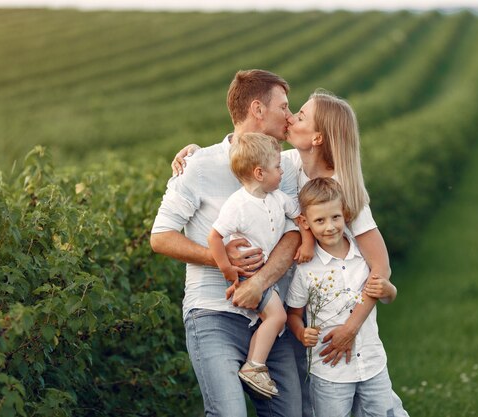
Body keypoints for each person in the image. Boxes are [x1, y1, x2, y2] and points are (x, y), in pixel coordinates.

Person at [170, 87, 400, 415]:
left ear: (318, 138)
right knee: (312, 406)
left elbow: (381, 269)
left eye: (300, 115)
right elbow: (244, 159)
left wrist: (350, 330)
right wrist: (195, 154)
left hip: (338, 320)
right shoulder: (287, 166)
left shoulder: (342, 190)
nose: (290, 117)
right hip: (296, 313)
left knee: (370, 407)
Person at [151, 69, 302, 416]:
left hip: (269, 318)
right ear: (257, 109)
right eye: (284, 106)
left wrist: (260, 282)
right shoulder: (198, 165)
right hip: (212, 314)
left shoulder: (286, 167)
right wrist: (218, 259)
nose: (289, 116)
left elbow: (293, 233)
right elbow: (160, 236)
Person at [286, 177, 409, 417]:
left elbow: (388, 295)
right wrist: (301, 332)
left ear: (345, 215)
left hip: (372, 363)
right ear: (305, 222)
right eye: (319, 220)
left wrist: (389, 290)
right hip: (331, 371)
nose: (330, 226)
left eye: (335, 217)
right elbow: (293, 314)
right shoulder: (306, 270)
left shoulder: (363, 257)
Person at [207, 132, 302, 399]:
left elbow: (299, 219)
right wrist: (226, 268)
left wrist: (305, 243)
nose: (282, 172)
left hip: (263, 275)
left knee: (275, 316)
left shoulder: (277, 198)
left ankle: (255, 364)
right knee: (278, 317)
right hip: (249, 274)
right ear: (260, 173)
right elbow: (214, 237)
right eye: (277, 167)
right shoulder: (237, 205)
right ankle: (254, 366)